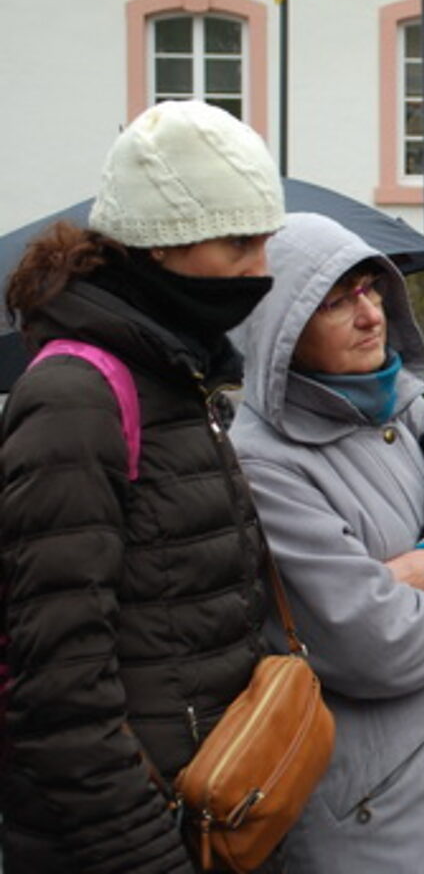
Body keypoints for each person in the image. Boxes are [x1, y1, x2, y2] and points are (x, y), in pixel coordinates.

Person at [0, 100, 284, 872]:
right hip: (131, 845)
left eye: (265, 240)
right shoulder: (76, 396)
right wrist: (150, 855)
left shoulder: (179, 374)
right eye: (237, 241)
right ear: (160, 246)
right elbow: (60, 688)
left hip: (212, 817)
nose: (260, 269)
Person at [228, 214, 424, 874]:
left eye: (371, 290)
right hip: (374, 816)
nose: (370, 315)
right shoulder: (263, 462)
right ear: (280, 327)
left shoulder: (409, 408)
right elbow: (374, 642)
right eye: (336, 302)